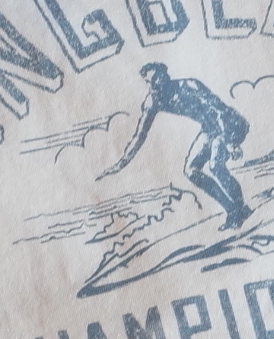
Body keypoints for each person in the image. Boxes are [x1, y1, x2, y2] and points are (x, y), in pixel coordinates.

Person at [100, 62, 251, 227]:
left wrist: (228, 141)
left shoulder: (189, 85)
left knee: (215, 166)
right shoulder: (153, 101)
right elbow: (140, 136)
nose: (153, 86)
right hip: (209, 130)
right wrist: (121, 163)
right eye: (149, 82)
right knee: (191, 171)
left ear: (166, 76)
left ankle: (241, 208)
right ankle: (233, 210)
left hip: (231, 124)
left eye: (156, 79)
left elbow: (218, 109)